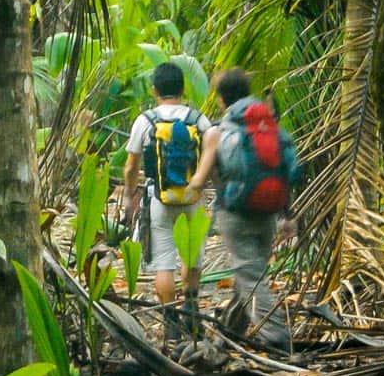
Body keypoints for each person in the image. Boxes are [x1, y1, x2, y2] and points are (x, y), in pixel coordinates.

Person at [188, 68, 300, 352]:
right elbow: (286, 169)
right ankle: (230, 331)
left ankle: (275, 335)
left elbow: (200, 180)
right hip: (269, 210)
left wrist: (187, 189)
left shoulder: (219, 132)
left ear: (221, 99)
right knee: (251, 272)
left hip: (235, 212)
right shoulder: (271, 126)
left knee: (250, 275)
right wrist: (288, 215)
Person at [120, 61, 215, 326]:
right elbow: (211, 155)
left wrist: (129, 196)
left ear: (154, 91)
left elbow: (130, 167)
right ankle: (192, 310)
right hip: (193, 197)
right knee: (191, 255)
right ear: (183, 89)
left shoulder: (146, 120)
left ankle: (171, 321)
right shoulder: (198, 119)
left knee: (164, 262)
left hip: (159, 199)